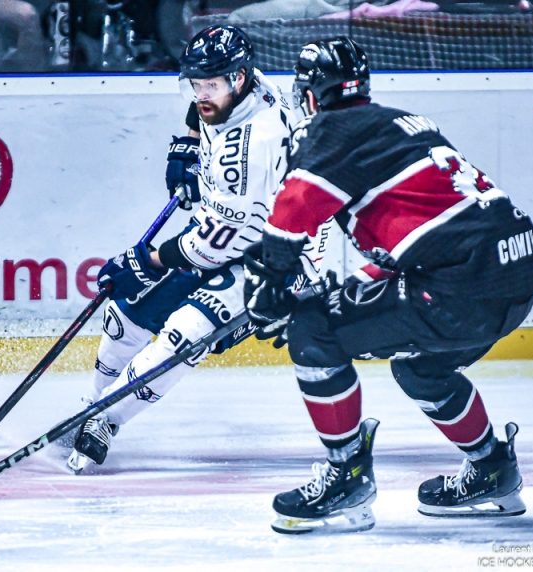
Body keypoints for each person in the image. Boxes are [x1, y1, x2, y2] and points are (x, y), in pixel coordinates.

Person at [244, 37, 533, 534]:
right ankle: (493, 468)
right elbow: (426, 237)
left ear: (313, 94)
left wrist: (274, 283)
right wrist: (350, 288)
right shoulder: (402, 122)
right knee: (422, 370)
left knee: (311, 331)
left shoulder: (331, 129)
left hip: (460, 289)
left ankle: (347, 477)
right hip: (515, 280)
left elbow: (293, 211)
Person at [66, 25, 325, 474]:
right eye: (195, 84)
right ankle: (91, 406)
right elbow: (201, 105)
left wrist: (144, 261)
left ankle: (105, 419)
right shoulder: (242, 83)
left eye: (212, 85)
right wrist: (188, 142)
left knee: (184, 335)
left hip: (275, 255)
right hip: (232, 225)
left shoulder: (251, 150)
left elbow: (212, 243)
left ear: (239, 78)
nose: (202, 94)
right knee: (124, 314)